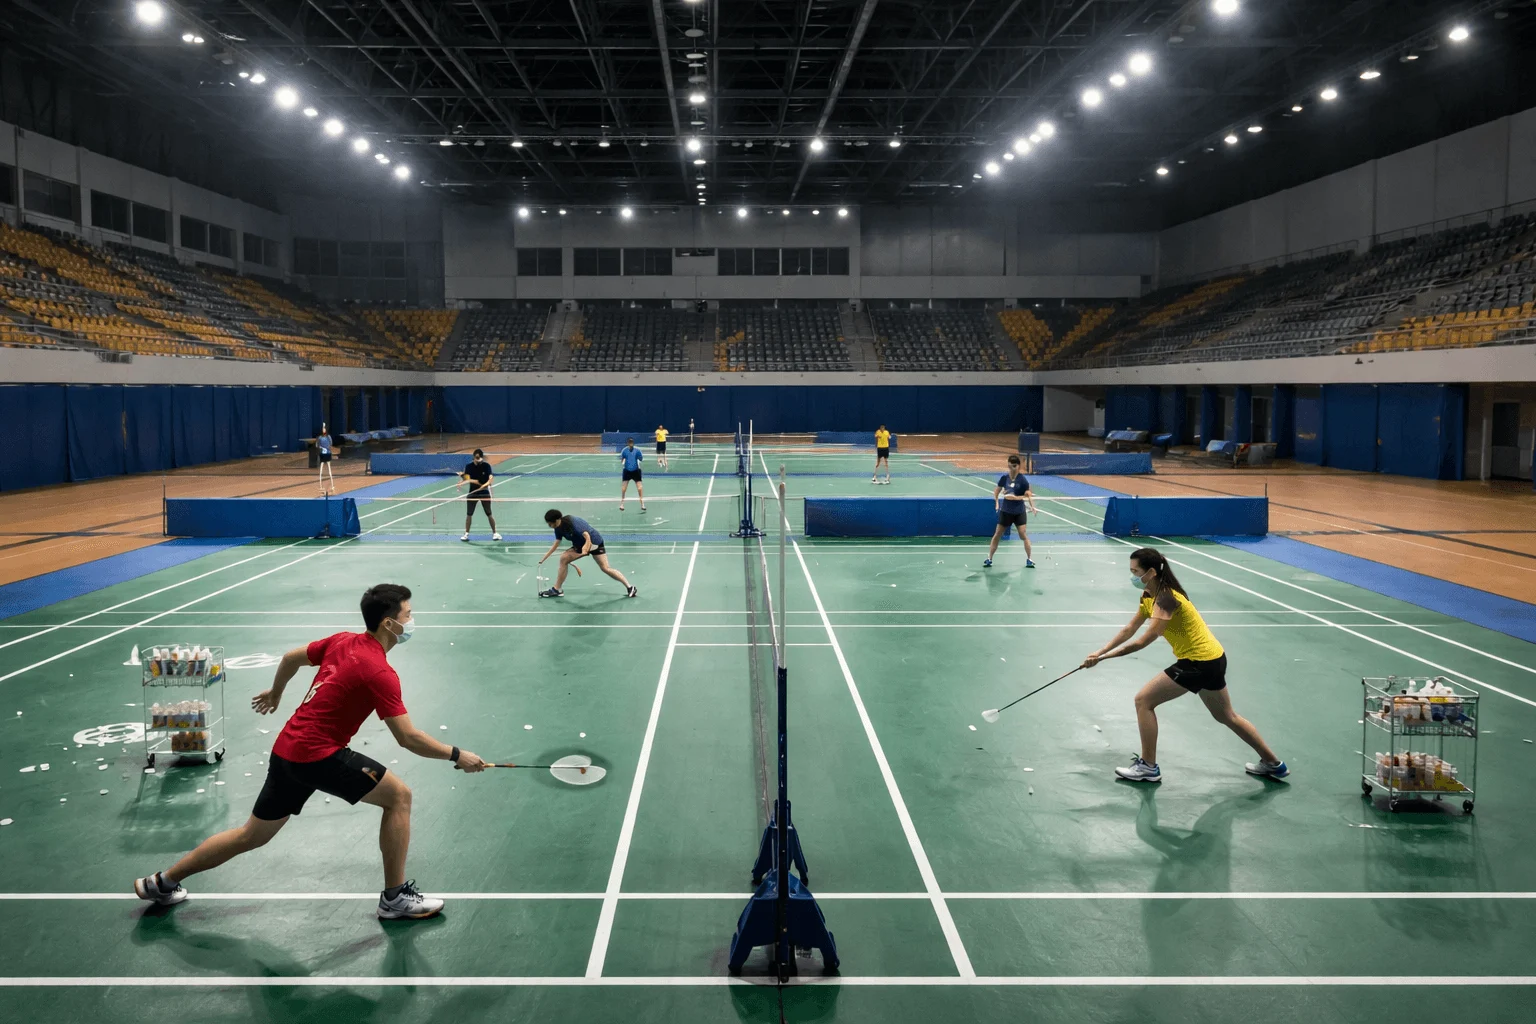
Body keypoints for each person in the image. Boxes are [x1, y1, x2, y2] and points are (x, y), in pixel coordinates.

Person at [132, 584, 489, 919]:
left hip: (288, 749)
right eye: (408, 615)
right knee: (399, 797)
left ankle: (162, 882)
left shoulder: (342, 640)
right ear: (388, 623)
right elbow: (408, 738)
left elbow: (291, 658)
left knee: (251, 835)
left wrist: (276, 693)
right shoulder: (380, 672)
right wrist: (457, 754)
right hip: (318, 755)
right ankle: (394, 899)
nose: (412, 621)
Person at [1080, 547, 1287, 784]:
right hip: (1214, 658)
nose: (1132, 576)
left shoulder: (1167, 599)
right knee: (1226, 715)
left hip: (1198, 662)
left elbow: (1144, 640)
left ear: (1151, 572)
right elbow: (1130, 629)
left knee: (1143, 701)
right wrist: (1099, 652)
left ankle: (1148, 767)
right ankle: (1273, 764)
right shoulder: (1149, 595)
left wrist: (1104, 658)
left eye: (1135, 572)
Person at [539, 508, 637, 598]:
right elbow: (557, 542)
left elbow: (587, 536)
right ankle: (557, 590)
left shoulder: (573, 522)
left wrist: (586, 550)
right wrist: (544, 558)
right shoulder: (557, 528)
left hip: (594, 542)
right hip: (580, 545)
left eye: (550, 523)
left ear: (557, 520)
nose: (549, 526)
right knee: (563, 559)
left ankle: (630, 587)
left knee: (605, 568)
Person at [986, 454, 1038, 569]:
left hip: (1019, 512)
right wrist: (997, 503)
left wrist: (1032, 506)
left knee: (1023, 534)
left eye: (1014, 466)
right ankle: (989, 558)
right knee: (997, 534)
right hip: (1006, 511)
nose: (1012, 468)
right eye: (1010, 466)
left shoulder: (1022, 480)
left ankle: (1029, 559)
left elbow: (1028, 494)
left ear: (1018, 466)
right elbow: (996, 491)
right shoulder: (1004, 478)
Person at [459, 448, 501, 542]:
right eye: (477, 458)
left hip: (484, 492)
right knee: (469, 514)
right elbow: (467, 478)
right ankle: (466, 534)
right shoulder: (469, 466)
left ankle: (495, 533)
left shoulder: (486, 466)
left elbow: (490, 479)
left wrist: (485, 485)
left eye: (480, 458)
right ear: (474, 457)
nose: (479, 460)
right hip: (473, 493)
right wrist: (462, 477)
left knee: (489, 513)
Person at [618, 437, 646, 512]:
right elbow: (622, 459)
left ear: (633, 443)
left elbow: (641, 459)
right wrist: (622, 461)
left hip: (636, 471)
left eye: (632, 442)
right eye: (629, 442)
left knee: (639, 488)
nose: (631, 443)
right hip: (627, 471)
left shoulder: (637, 451)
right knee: (624, 488)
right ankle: (622, 504)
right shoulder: (624, 451)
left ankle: (642, 504)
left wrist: (639, 457)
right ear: (628, 443)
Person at [316, 425, 336, 494]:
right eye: (322, 429)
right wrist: (321, 448)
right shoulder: (320, 437)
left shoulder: (328, 437)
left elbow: (331, 444)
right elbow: (317, 445)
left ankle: (332, 486)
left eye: (324, 429)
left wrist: (327, 448)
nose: (323, 430)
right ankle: (320, 486)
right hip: (322, 454)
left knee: (329, 470)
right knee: (321, 470)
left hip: (328, 453)